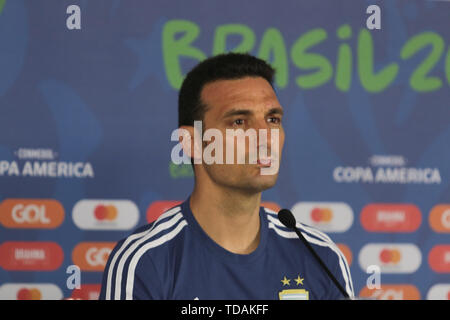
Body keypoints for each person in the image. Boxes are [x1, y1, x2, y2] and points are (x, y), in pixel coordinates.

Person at [99, 52, 354, 300]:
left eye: (273, 119)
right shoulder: (147, 260)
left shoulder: (321, 257)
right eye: (239, 122)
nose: (265, 136)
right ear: (191, 143)